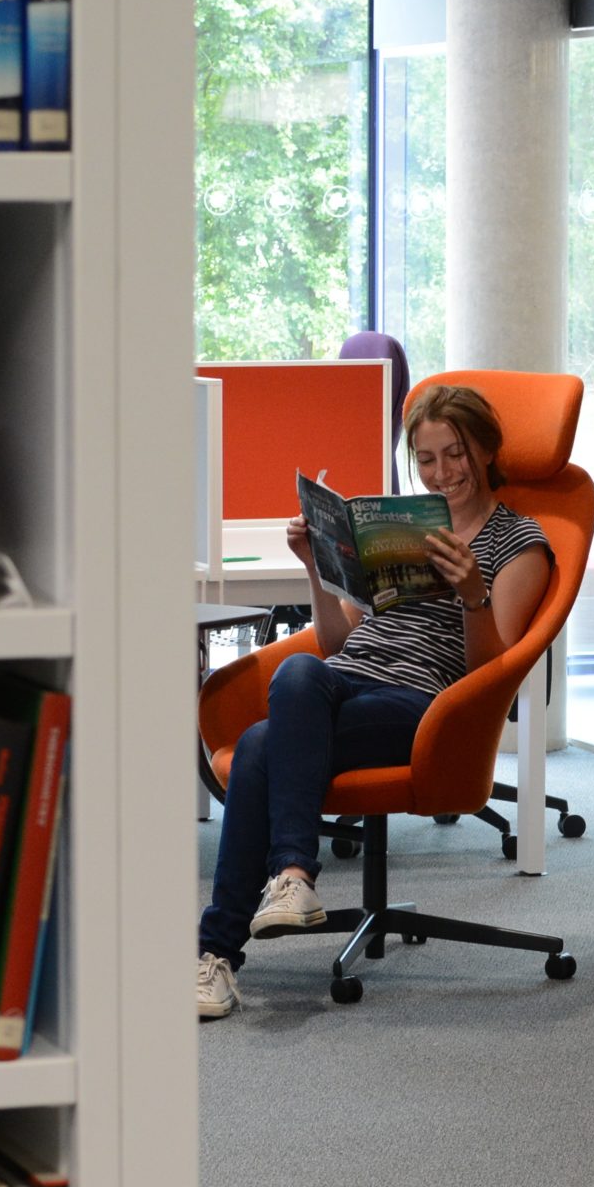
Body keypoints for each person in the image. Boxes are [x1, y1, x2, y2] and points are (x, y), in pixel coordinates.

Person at [197, 384, 552, 1018]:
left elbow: (492, 671)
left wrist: (471, 588)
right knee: (298, 676)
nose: (442, 473)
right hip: (346, 680)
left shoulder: (518, 543)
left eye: (455, 454)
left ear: (486, 451)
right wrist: (316, 565)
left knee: (259, 744)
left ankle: (224, 945)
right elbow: (338, 638)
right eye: (427, 459)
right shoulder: (399, 528)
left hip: (422, 705)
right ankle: (286, 886)